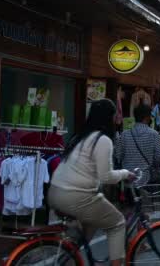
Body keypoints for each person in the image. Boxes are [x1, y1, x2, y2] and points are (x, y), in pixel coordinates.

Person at [48, 99, 136, 266]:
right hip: (76, 196)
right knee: (117, 223)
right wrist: (126, 174)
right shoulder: (102, 140)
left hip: (55, 192)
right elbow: (106, 177)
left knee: (93, 221)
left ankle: (69, 255)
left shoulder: (79, 137)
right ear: (109, 118)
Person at [114, 104, 160, 186]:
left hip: (128, 180)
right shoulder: (154, 134)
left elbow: (118, 156)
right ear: (147, 117)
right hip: (147, 180)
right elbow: (159, 157)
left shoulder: (124, 134)